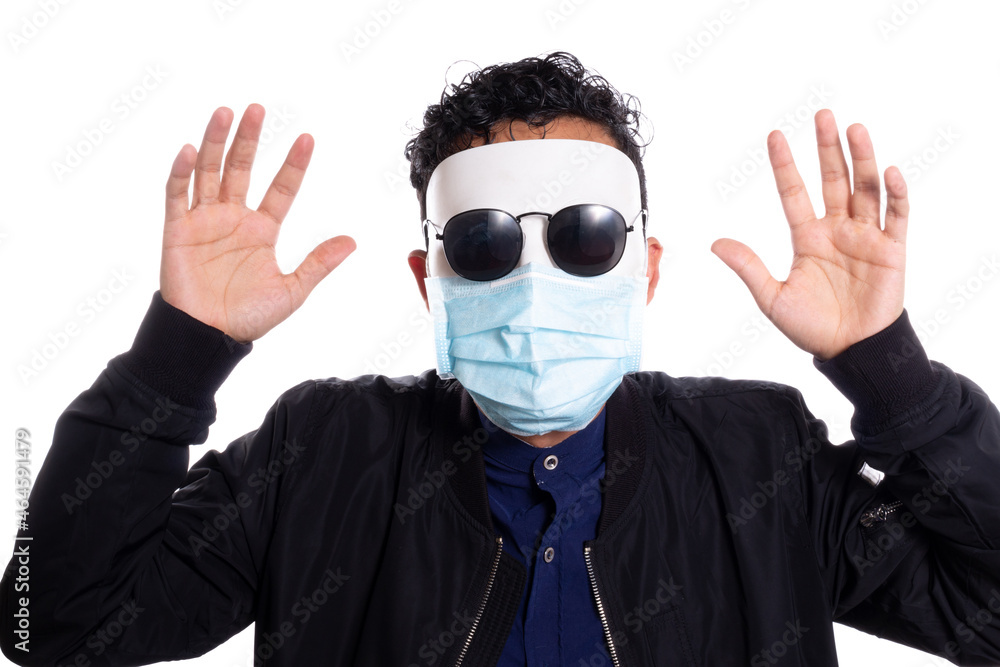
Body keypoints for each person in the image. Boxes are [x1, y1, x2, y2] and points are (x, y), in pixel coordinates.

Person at [2, 51, 1000, 667]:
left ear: (643, 266)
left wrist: (889, 371)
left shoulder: (756, 454)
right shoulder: (322, 451)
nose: (530, 283)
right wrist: (180, 353)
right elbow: (50, 622)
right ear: (428, 275)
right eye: (480, 242)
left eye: (585, 235)